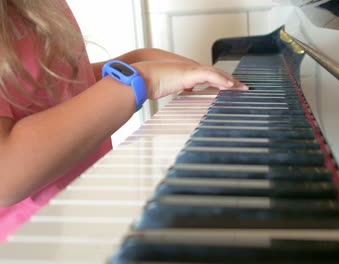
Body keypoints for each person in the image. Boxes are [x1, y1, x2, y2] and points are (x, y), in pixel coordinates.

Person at [0, 0, 247, 241]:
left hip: (82, 214)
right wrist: (139, 80)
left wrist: (130, 64)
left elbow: (46, 92)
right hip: (33, 242)